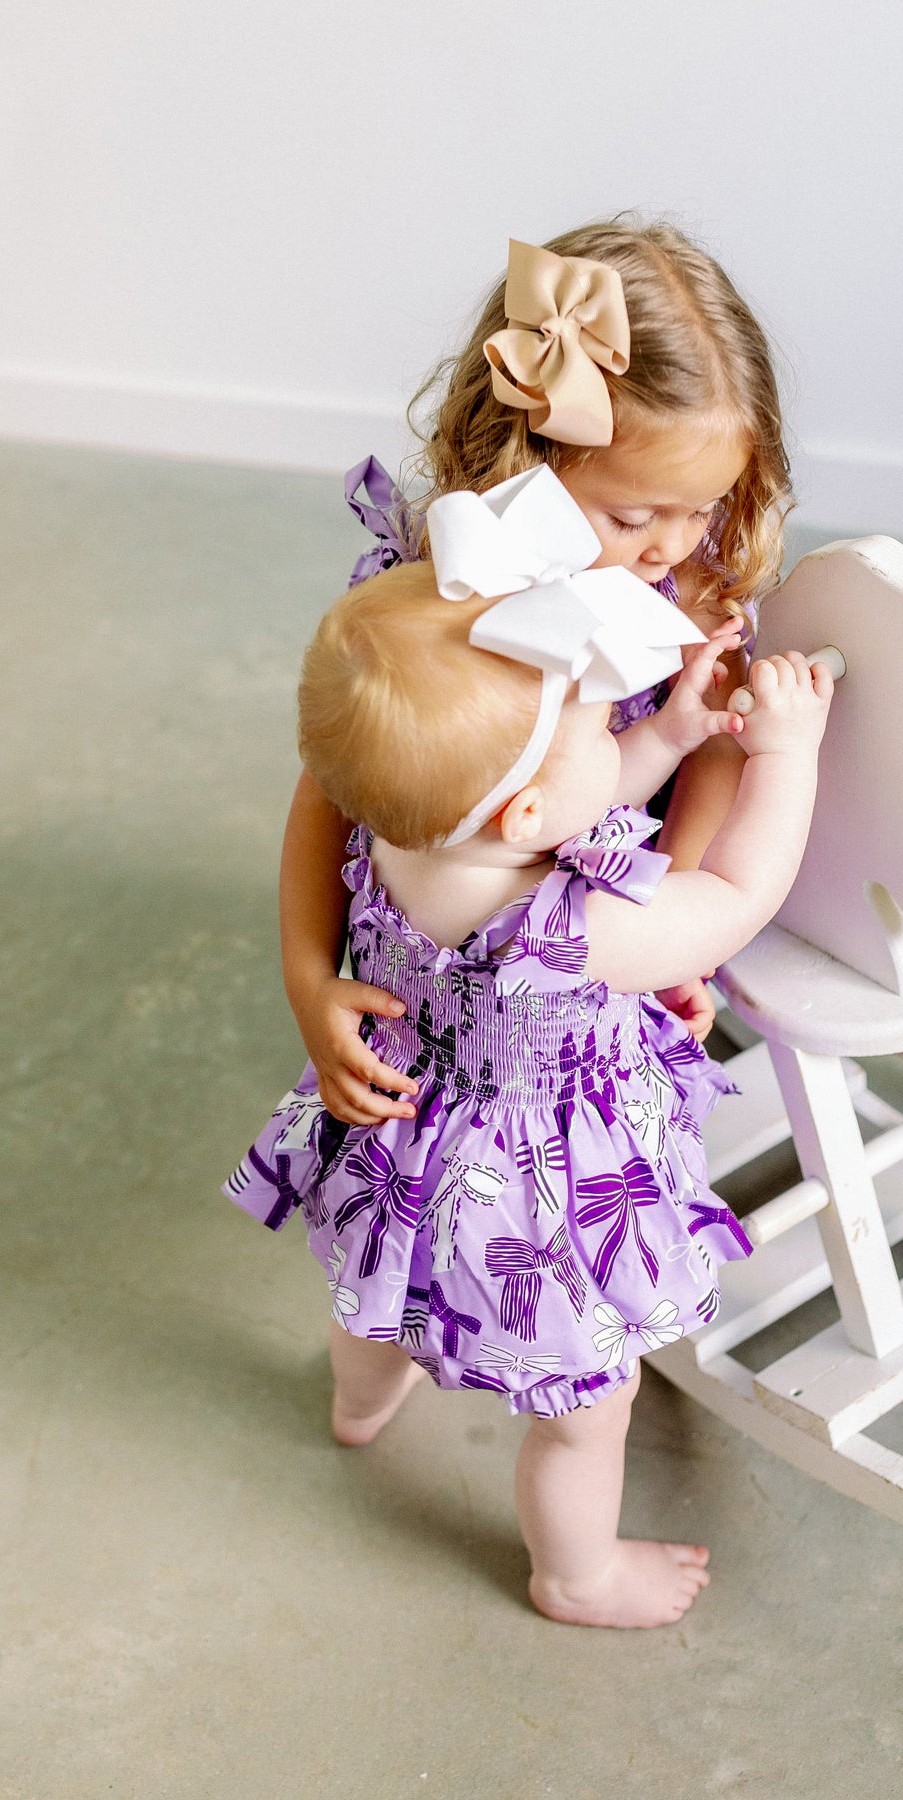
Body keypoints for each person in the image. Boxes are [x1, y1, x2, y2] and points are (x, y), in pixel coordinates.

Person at [226, 467, 834, 1627]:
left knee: (374, 1301)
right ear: (525, 813)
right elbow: (735, 893)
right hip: (533, 1206)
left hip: (398, 1145)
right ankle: (575, 1571)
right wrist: (785, 753)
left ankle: (360, 1402)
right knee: (581, 1411)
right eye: (590, 715)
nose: (608, 719)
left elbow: (558, 806)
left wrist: (666, 730)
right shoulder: (573, 932)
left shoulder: (402, 835)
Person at [282, 224, 794, 1130]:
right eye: (634, 514)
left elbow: (713, 749)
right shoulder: (450, 590)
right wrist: (308, 977)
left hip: (611, 921)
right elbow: (335, 784)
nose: (673, 543)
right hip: (443, 921)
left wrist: (665, 929)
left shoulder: (690, 588)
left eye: (705, 507)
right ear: (530, 462)